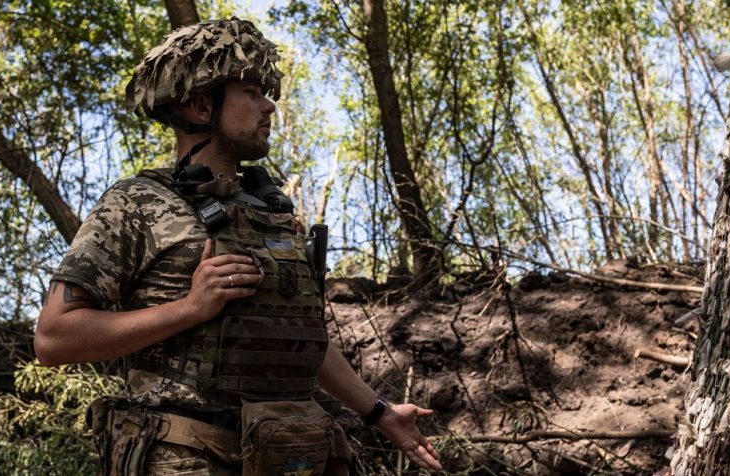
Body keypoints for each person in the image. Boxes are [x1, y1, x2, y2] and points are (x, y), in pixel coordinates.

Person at [34, 17, 441, 475]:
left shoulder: (274, 214)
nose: (268, 106)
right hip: (183, 456)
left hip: (285, 454)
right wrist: (190, 308)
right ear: (201, 105)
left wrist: (382, 414)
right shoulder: (136, 204)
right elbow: (53, 338)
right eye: (251, 93)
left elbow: (298, 339)